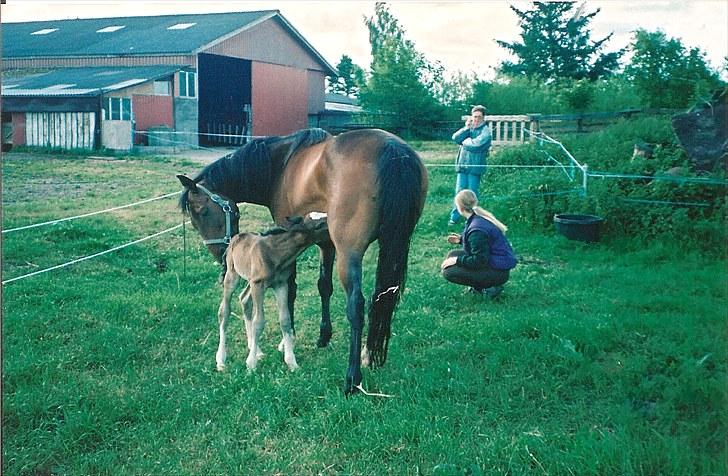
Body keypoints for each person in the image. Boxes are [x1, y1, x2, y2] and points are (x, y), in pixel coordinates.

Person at [441, 189, 517, 298]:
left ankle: (489, 287)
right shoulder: (478, 218)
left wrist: (457, 260)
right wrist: (462, 240)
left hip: (498, 271)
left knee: (449, 271)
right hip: (495, 262)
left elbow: (480, 260)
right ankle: (480, 285)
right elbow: (483, 243)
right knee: (452, 254)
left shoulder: (476, 229)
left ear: (460, 208)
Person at [449, 105, 492, 225]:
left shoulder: (486, 131)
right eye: (474, 117)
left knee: (472, 194)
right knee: (459, 192)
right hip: (462, 165)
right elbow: (455, 138)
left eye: (479, 117)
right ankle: (454, 218)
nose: (476, 119)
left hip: (475, 167)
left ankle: (472, 219)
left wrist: (465, 142)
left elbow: (476, 144)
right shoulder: (469, 128)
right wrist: (466, 128)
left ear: (484, 118)